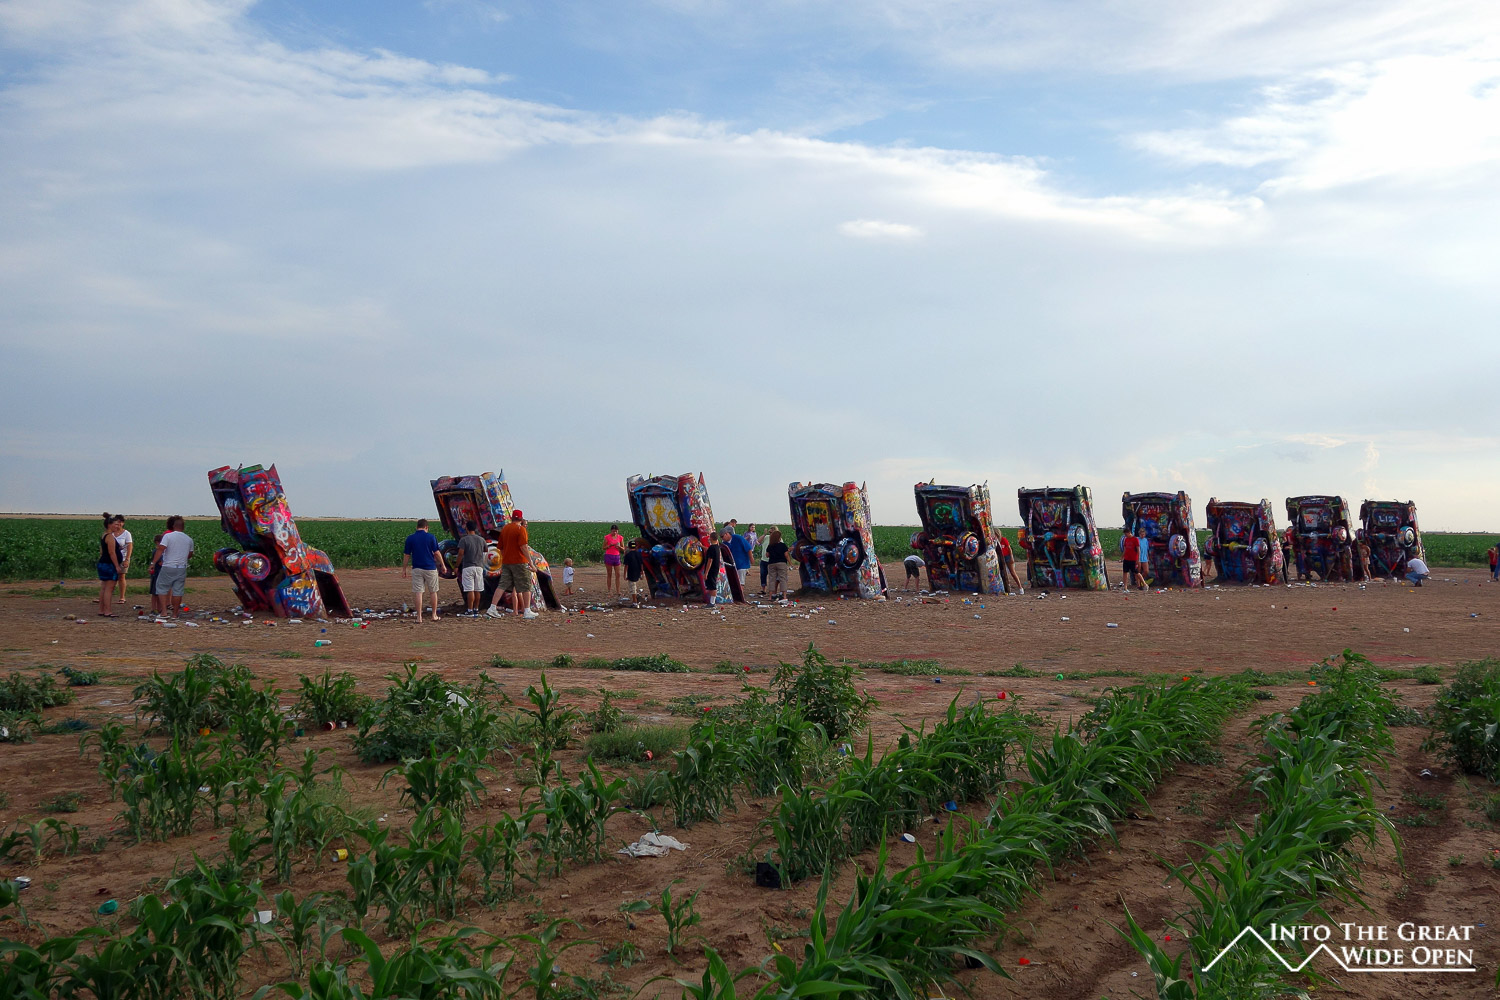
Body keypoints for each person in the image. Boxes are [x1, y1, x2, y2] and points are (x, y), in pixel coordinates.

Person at [489, 510, 537, 619]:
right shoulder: (521, 529)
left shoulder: (505, 529)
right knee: (526, 585)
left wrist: (505, 557)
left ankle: (492, 608)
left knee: (502, 585)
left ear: (512, 518)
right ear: (521, 518)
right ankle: (527, 610)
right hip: (520, 561)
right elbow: (523, 547)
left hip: (507, 562)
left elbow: (500, 547)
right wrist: (531, 563)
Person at [150, 515, 194, 618]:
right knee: (178, 591)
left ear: (173, 526)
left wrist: (153, 563)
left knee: (162, 588)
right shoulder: (189, 539)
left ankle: (164, 612)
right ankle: (175, 614)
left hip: (168, 566)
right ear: (183, 526)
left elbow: (161, 549)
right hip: (181, 567)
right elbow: (190, 554)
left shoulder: (168, 536)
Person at [402, 518, 442, 622]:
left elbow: (406, 555)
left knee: (418, 592)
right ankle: (434, 615)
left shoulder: (410, 538)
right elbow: (436, 553)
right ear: (426, 527)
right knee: (433, 592)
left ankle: (419, 617)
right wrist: (443, 564)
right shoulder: (431, 537)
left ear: (417, 527)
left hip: (417, 568)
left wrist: (404, 569)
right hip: (430, 568)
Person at [96, 513, 123, 616]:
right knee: (109, 588)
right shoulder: (110, 537)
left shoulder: (104, 535)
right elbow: (112, 553)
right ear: (109, 525)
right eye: (116, 524)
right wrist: (117, 566)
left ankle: (101, 610)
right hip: (109, 565)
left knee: (104, 587)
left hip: (103, 563)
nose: (117, 526)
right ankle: (107, 611)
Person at [457, 522, 486, 616]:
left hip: (468, 567)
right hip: (479, 567)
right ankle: (476, 609)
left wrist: (456, 566)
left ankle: (469, 610)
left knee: (470, 590)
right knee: (478, 589)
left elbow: (460, 553)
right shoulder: (481, 539)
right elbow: (486, 550)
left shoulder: (464, 540)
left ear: (466, 528)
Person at [112, 515, 133, 605]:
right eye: (117, 522)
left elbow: (129, 546)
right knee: (109, 578)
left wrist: (127, 559)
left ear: (123, 523)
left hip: (122, 558)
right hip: (111, 558)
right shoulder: (111, 533)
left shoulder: (126, 534)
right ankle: (106, 596)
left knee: (121, 577)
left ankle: (122, 597)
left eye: (120, 522)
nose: (119, 524)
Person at [766, 528, 791, 598]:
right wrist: (790, 563)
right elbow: (786, 555)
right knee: (783, 579)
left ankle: (770, 596)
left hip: (772, 563)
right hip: (781, 563)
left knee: (772, 579)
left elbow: (767, 555)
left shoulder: (770, 546)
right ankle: (784, 595)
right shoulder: (783, 545)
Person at [603, 524, 625, 598]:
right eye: (613, 531)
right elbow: (603, 547)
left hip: (617, 556)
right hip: (609, 555)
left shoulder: (620, 537)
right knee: (609, 574)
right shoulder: (607, 537)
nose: (614, 532)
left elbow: (623, 548)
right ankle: (609, 591)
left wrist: (619, 547)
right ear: (611, 531)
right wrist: (609, 546)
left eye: (616, 531)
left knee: (618, 574)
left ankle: (618, 591)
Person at [147, 530, 166, 616]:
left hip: (158, 573)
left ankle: (158, 608)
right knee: (155, 592)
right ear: (157, 542)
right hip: (157, 574)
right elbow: (160, 563)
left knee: (158, 592)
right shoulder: (157, 552)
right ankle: (154, 608)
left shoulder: (160, 551)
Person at [758, 529, 773, 594]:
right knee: (763, 575)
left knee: (772, 576)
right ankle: (763, 589)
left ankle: (772, 590)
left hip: (772, 560)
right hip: (764, 560)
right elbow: (758, 541)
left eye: (772, 532)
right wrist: (764, 534)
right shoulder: (766, 537)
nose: (770, 533)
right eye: (770, 532)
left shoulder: (778, 539)